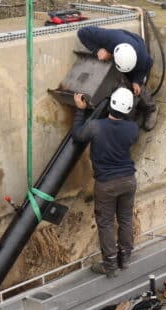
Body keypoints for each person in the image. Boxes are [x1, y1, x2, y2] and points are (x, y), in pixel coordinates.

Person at [71, 88, 139, 277]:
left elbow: (77, 135)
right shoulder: (133, 129)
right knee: (125, 218)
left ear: (110, 105)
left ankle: (110, 266)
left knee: (106, 223)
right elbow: (126, 131)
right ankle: (124, 258)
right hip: (128, 180)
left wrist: (80, 110)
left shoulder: (95, 126)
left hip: (106, 184)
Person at [77, 26, 158, 131]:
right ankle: (127, 116)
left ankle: (151, 108)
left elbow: (146, 67)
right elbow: (81, 32)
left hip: (134, 52)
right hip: (113, 53)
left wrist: (136, 81)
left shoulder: (143, 58)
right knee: (118, 82)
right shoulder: (108, 38)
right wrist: (97, 50)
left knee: (135, 85)